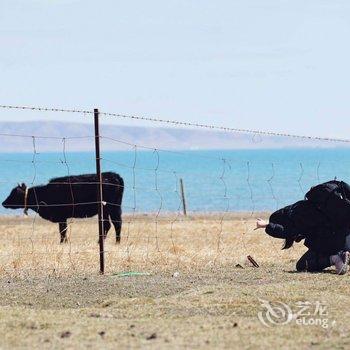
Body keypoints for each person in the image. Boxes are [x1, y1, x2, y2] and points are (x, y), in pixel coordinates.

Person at [255, 200, 350, 275]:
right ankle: (343, 255)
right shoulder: (304, 207)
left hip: (331, 242)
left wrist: (266, 225)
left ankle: (336, 259)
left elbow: (285, 231)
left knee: (302, 265)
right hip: (345, 238)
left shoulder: (297, 216)